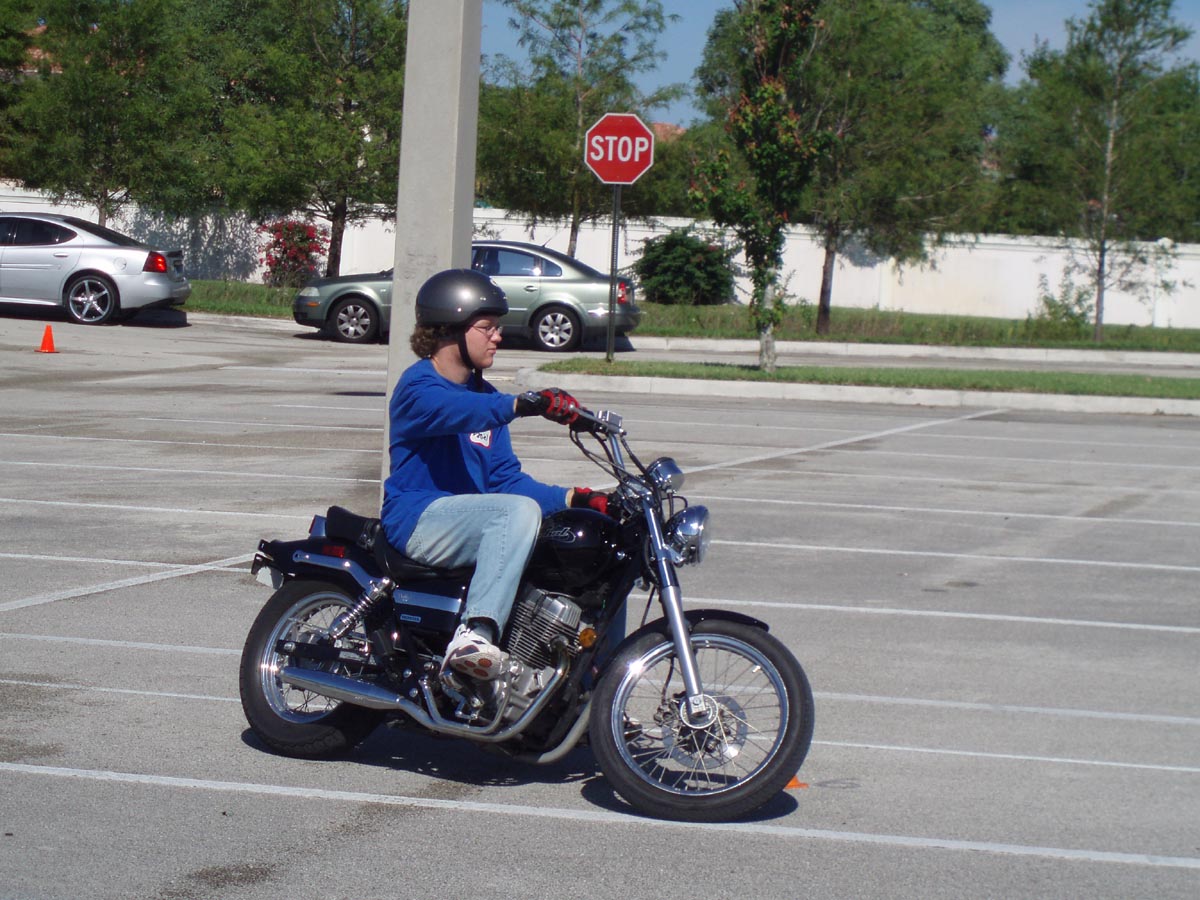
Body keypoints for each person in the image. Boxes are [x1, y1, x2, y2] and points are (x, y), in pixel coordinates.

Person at [380, 268, 609, 681]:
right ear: (449, 329)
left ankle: (590, 675)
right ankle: (474, 636)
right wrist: (523, 404)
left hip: (471, 520)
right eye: (486, 328)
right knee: (515, 513)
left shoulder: (486, 399)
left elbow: (505, 481)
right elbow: (457, 412)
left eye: (497, 328)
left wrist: (577, 499)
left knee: (597, 542)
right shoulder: (418, 387)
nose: (497, 337)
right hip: (418, 519)